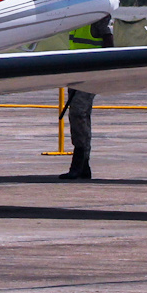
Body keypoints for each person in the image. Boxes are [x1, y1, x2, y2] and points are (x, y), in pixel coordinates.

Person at [60, 16, 113, 180]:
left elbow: (108, 43)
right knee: (79, 116)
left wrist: (101, 70)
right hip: (75, 73)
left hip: (89, 75)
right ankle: (83, 165)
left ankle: (79, 162)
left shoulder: (97, 18)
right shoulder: (77, 18)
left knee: (78, 112)